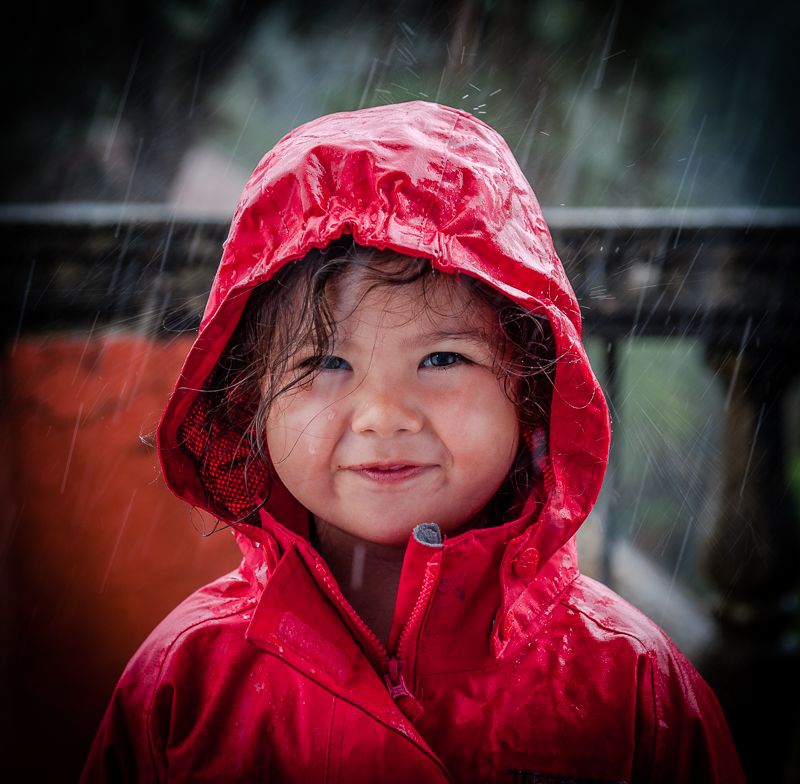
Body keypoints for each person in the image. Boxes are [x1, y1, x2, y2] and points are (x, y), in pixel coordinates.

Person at [82, 101, 744, 783]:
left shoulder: (630, 688)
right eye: (325, 364)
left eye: (441, 360)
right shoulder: (184, 686)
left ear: (529, 386)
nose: (383, 416)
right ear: (250, 400)